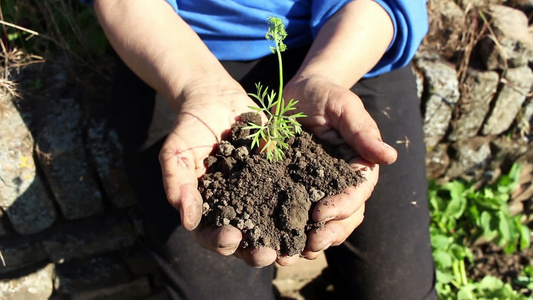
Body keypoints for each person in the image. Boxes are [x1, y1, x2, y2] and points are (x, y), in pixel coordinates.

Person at [86, 0, 437, 299]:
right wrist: (197, 86)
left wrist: (325, 77)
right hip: (170, 48)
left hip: (351, 37)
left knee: (397, 287)